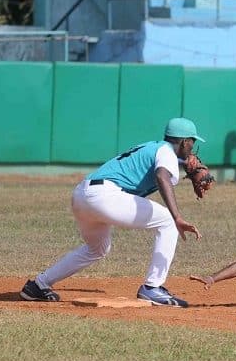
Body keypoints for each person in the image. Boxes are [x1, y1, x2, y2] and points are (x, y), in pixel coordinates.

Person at [19, 118, 205, 307]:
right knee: (168, 221)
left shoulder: (153, 147)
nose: (193, 147)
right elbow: (161, 176)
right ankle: (152, 287)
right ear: (184, 141)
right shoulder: (166, 153)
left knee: (97, 248)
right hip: (104, 196)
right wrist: (178, 217)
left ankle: (38, 285)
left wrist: (182, 164)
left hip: (82, 195)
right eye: (193, 142)